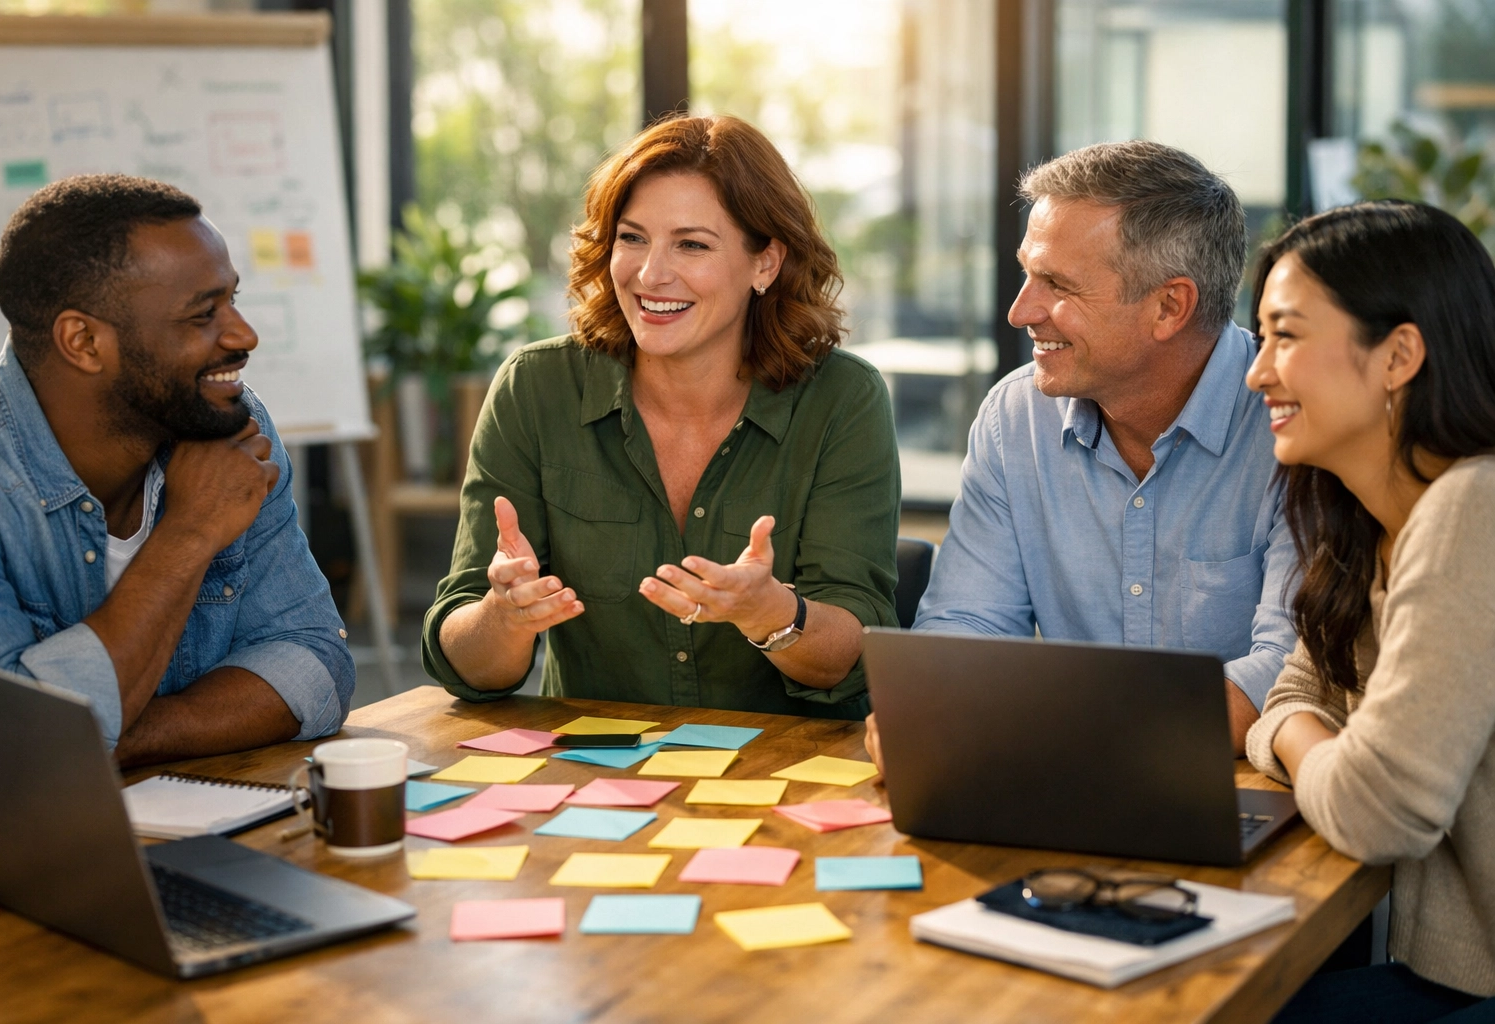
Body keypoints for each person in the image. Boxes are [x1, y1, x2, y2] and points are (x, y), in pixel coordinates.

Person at [423, 115, 899, 719]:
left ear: (765, 264)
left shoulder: (842, 400)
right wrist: (504, 617)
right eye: (633, 237)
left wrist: (770, 612)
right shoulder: (535, 389)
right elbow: (466, 667)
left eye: (692, 244)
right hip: (594, 775)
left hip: (782, 777)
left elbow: (853, 657)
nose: (651, 275)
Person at [866, 140, 1298, 770]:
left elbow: (1289, 672)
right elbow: (968, 626)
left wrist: (1044, 730)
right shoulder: (1016, 418)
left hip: (1242, 795)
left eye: (1058, 285)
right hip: (1064, 782)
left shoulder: (1293, 426)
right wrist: (934, 708)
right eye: (1025, 273)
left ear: (1169, 306)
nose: (1021, 311)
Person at [0, 174, 354, 767]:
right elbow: (4, 755)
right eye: (202, 315)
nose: (244, 335)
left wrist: (112, 737)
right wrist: (189, 532)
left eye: (233, 299)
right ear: (84, 341)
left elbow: (314, 660)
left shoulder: (231, 425)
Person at [1246, 202, 1495, 1022]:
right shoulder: (1370, 524)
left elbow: (1377, 808)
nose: (1258, 372)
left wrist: (1295, 732)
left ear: (1398, 356)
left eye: (1286, 336)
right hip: (1448, 979)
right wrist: (1300, 729)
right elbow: (1286, 700)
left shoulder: (1475, 507)